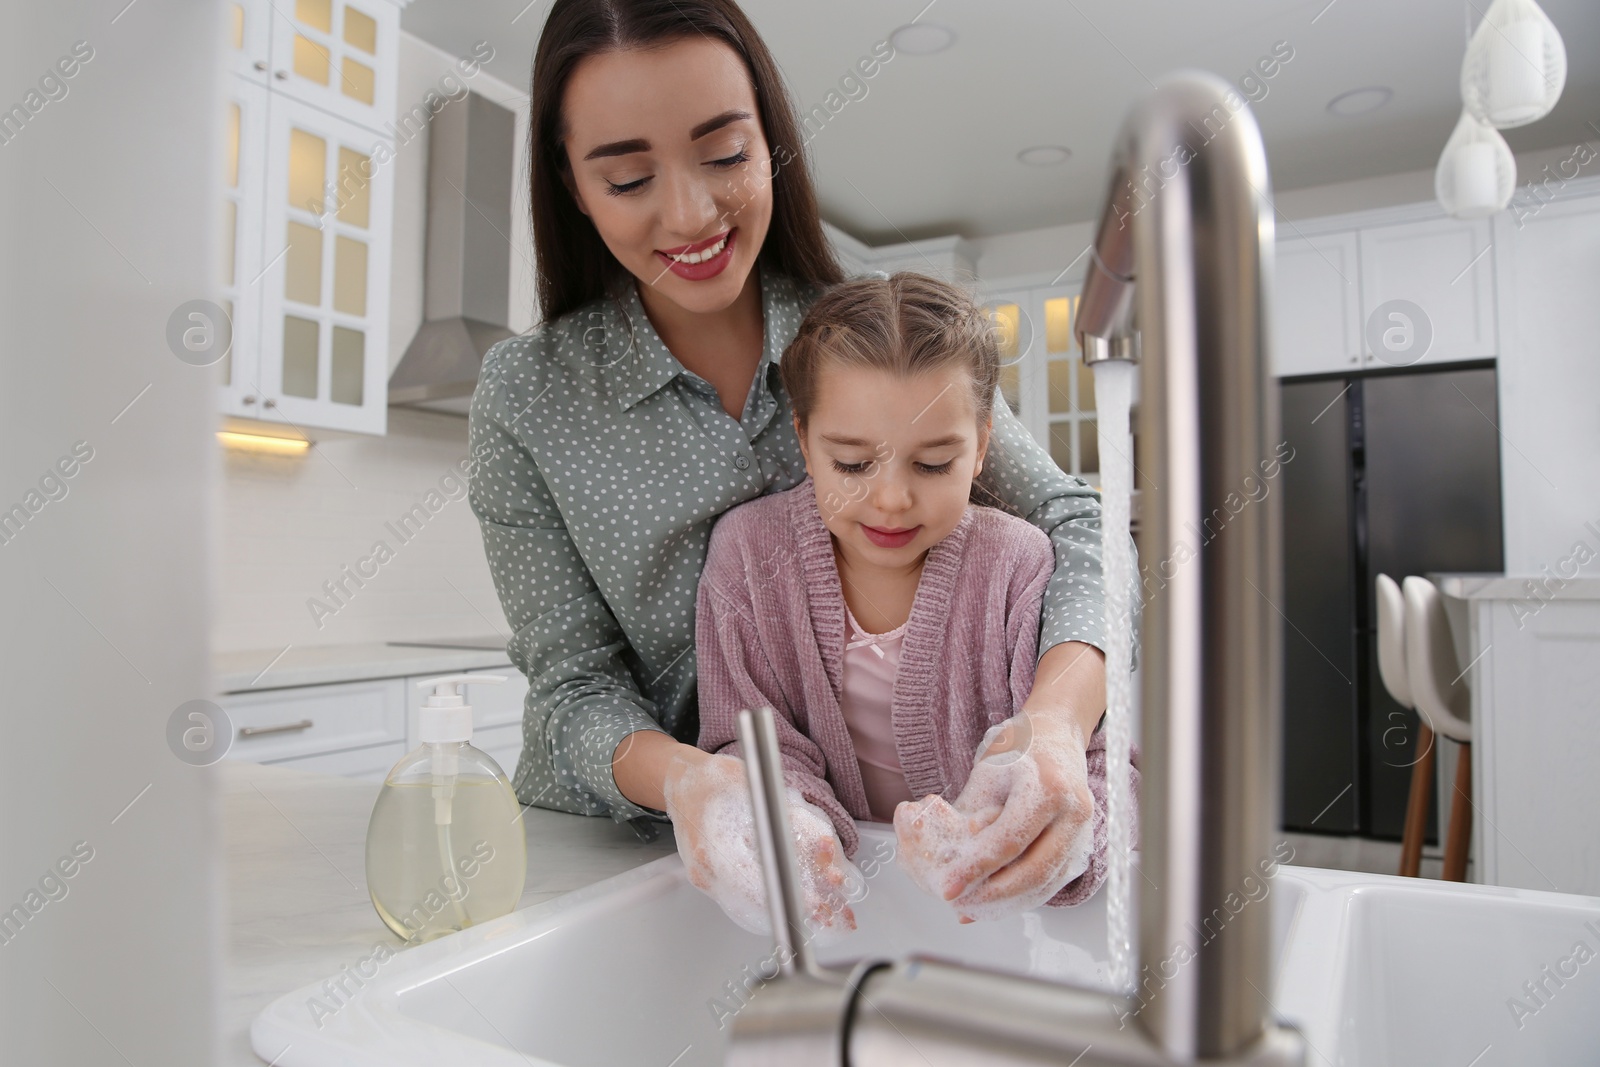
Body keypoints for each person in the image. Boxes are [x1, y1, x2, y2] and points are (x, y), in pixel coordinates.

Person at [468, 0, 1115, 923]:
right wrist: (694, 782)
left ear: (771, 140)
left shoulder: (869, 338)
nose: (690, 212)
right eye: (627, 177)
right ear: (571, 183)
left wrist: (1054, 721)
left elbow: (1073, 520)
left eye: (726, 155)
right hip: (621, 859)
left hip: (850, 843)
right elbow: (573, 686)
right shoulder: (528, 397)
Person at [687, 273, 1139, 931]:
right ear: (804, 439)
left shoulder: (1019, 562)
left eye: (932, 465)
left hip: (999, 929)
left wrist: (1045, 846)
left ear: (982, 445)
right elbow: (753, 746)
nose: (892, 500)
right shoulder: (750, 557)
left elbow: (1106, 772)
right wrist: (797, 830)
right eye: (852, 464)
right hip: (844, 915)